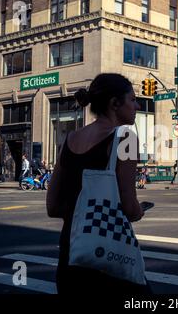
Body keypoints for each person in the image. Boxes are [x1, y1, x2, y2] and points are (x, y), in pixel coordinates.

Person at [46, 73, 150, 295]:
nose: (137, 105)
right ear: (114, 104)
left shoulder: (70, 139)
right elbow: (129, 207)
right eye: (132, 100)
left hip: (71, 253)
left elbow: (52, 206)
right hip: (106, 254)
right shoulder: (127, 138)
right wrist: (139, 211)